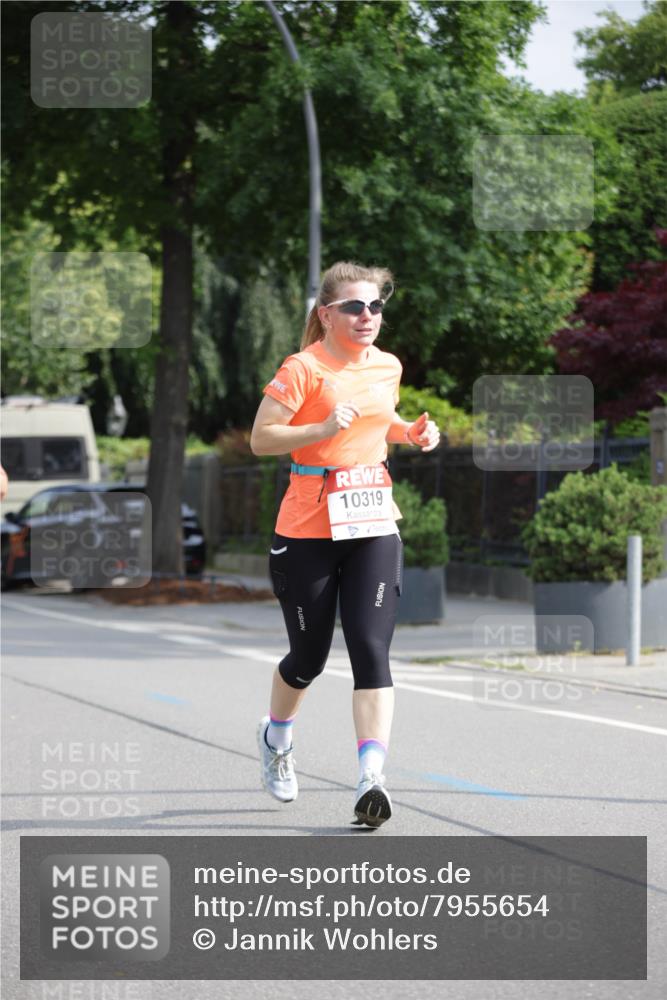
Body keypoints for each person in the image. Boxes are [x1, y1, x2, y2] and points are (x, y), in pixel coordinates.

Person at [250, 261, 439, 827]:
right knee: (308, 659)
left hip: (372, 521)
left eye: (375, 305)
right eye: (354, 307)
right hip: (307, 527)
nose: (367, 315)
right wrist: (322, 428)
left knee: (370, 648)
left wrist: (411, 433)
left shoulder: (387, 365)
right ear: (327, 315)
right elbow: (261, 438)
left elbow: (380, 423)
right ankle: (276, 736)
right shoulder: (303, 368)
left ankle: (370, 779)